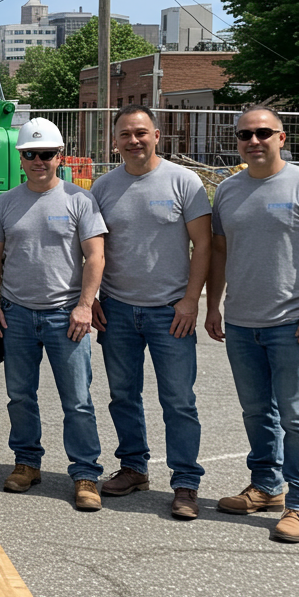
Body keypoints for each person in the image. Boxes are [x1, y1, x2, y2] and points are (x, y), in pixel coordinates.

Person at [205, 106, 299, 543]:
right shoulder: (228, 191)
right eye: (245, 134)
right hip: (243, 325)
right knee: (255, 411)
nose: (254, 140)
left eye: (264, 132)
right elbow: (220, 254)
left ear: (281, 138)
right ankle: (266, 487)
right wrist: (214, 306)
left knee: (297, 416)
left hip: (292, 325)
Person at [0, 117, 108, 512]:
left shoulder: (79, 200)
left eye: (47, 154)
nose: (39, 160)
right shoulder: (6, 203)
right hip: (17, 314)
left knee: (78, 400)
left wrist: (85, 305)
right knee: (20, 396)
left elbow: (95, 255)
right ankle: (27, 463)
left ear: (60, 157)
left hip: (65, 316)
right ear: (21, 158)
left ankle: (85, 473)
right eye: (31, 154)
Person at [90, 105, 210, 520]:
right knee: (123, 396)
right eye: (125, 134)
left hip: (170, 311)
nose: (134, 140)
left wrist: (192, 300)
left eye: (141, 132)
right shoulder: (103, 188)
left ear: (157, 135)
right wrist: (92, 299)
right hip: (118, 310)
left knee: (178, 400)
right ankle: (134, 468)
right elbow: (91, 249)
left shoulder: (184, 182)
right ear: (115, 141)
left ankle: (185, 483)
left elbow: (204, 245)